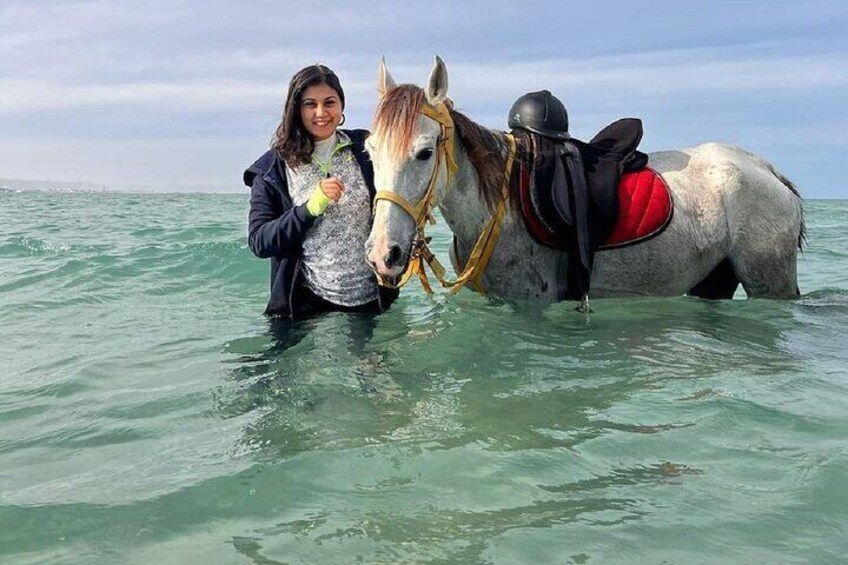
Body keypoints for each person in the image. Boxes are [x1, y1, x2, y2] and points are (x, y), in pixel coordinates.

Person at [244, 64, 398, 320]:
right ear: (296, 109)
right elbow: (260, 242)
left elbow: (407, 140)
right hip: (308, 308)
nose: (321, 113)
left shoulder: (366, 149)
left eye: (329, 102)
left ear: (341, 105)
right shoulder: (273, 167)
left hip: (374, 304)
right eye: (309, 104)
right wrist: (310, 208)